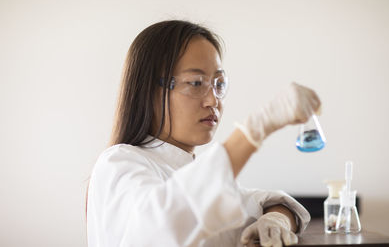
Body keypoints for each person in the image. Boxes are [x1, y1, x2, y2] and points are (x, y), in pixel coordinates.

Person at [86, 20, 321, 247]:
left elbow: (266, 201)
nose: (213, 101)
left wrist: (276, 219)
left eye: (219, 84)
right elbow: (164, 228)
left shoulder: (187, 170)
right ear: (149, 92)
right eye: (196, 83)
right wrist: (258, 127)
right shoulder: (118, 162)